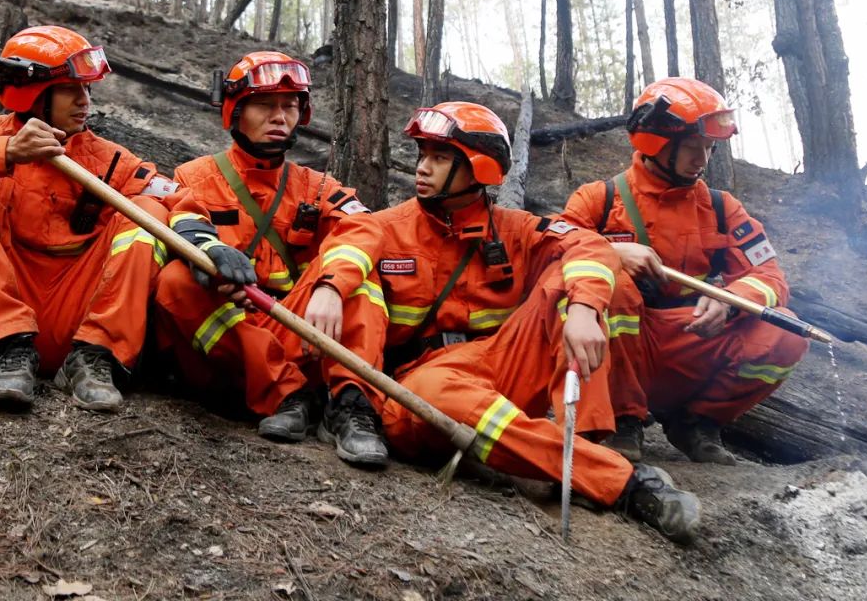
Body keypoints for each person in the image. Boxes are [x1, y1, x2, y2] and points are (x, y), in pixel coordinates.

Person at [290, 101, 701, 543]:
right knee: (436, 393)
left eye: (440, 157)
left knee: (573, 280)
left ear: (479, 168)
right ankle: (621, 482)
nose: (422, 168)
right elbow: (349, 246)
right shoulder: (388, 227)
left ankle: (587, 441)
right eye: (423, 155)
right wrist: (331, 288)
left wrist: (583, 309)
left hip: (497, 364)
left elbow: (587, 244)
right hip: (414, 384)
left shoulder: (515, 229)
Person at [0, 25, 172, 412]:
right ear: (33, 92)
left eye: (88, 90)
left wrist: (204, 235)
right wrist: (6, 152)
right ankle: (10, 348)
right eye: (71, 89)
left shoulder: (111, 159)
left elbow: (174, 195)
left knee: (150, 214)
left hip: (78, 324)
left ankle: (95, 359)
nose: (85, 101)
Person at [562, 77, 810, 464]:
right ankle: (620, 420)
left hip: (690, 340)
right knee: (615, 290)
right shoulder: (598, 199)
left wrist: (730, 301)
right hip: (618, 349)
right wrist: (610, 252)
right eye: (693, 148)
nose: (703, 159)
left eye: (709, 148)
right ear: (655, 144)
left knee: (786, 331)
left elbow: (771, 277)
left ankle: (696, 422)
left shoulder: (723, 209)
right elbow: (551, 253)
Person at [152, 51, 374, 443]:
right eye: (265, 105)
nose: (279, 117)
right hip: (233, 341)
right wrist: (207, 260)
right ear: (236, 111)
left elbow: (363, 229)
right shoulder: (195, 177)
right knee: (174, 280)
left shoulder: (318, 187)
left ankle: (349, 405)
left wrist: (329, 287)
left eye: (289, 106)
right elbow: (181, 224)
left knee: (361, 282)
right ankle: (289, 395)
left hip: (296, 328)